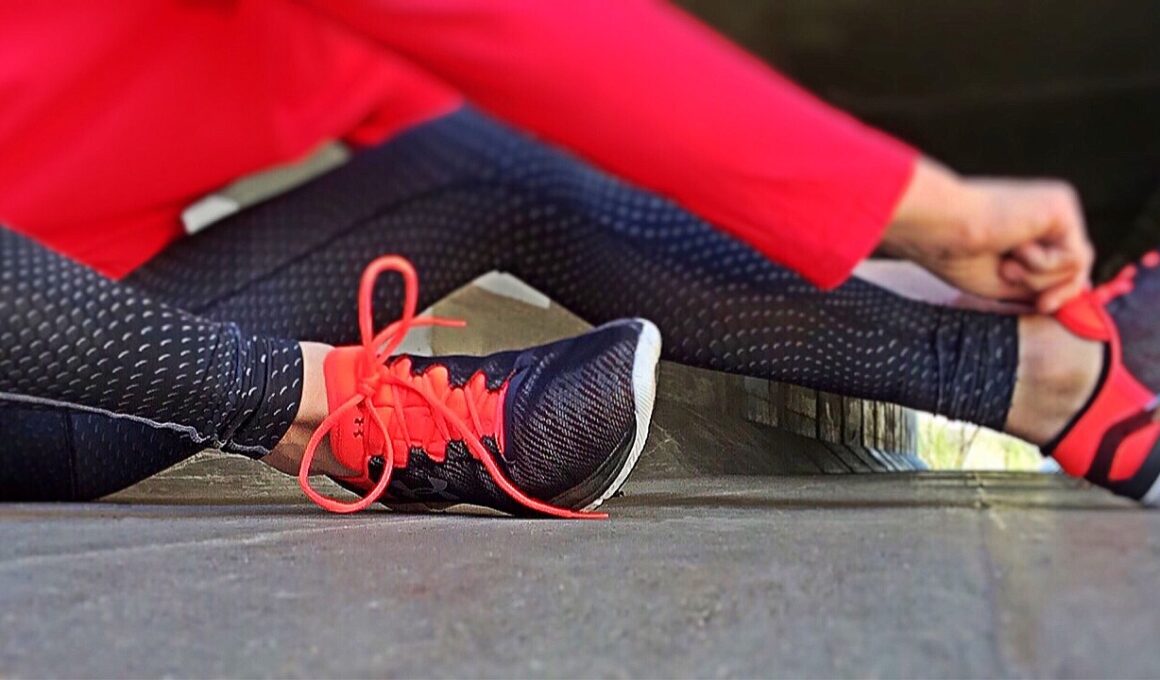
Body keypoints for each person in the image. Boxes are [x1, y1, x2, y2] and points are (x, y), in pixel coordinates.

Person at [1, 1, 1155, 513]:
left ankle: (1051, 383)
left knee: (501, 167)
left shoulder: (349, 48)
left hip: (93, 345)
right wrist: (926, 205)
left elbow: (576, 136)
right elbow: (540, 31)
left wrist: (887, 266)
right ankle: (324, 411)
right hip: (46, 378)